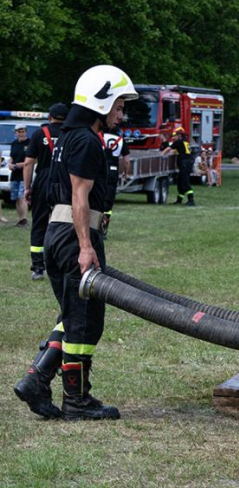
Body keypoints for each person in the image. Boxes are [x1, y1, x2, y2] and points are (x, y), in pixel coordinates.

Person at [14, 64, 138, 421]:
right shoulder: (86, 140)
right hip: (74, 237)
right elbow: (80, 197)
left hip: (58, 233)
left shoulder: (68, 137)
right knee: (85, 322)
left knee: (71, 315)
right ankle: (77, 401)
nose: (121, 113)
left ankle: (37, 379)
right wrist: (86, 246)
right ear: (101, 102)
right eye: (118, 105)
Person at [24, 103, 68, 280]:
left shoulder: (39, 133)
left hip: (43, 180)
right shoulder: (70, 134)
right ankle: (62, 263)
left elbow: (28, 163)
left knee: (39, 223)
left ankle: (38, 267)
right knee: (63, 223)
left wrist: (28, 187)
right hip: (64, 180)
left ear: (50, 117)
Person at [99, 128, 129, 236]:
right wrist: (126, 173)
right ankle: (104, 228)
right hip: (112, 171)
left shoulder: (99, 136)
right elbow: (126, 161)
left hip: (100, 170)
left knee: (97, 197)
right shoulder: (120, 140)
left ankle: (94, 226)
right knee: (108, 199)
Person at [162, 127, 195, 206]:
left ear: (179, 135)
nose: (173, 137)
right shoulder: (183, 142)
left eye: (175, 135)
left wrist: (161, 155)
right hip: (186, 164)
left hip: (185, 164)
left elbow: (168, 149)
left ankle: (191, 200)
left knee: (185, 182)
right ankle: (179, 200)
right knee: (180, 182)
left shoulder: (178, 142)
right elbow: (175, 151)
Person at [9, 125, 30, 227]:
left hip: (24, 174)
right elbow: (11, 157)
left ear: (26, 132)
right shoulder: (14, 144)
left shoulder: (29, 143)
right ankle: (20, 219)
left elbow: (32, 159)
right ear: (15, 133)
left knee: (22, 196)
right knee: (16, 197)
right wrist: (10, 164)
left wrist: (21, 164)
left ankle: (25, 219)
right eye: (19, 132)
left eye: (23, 131)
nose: (21, 134)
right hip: (14, 174)